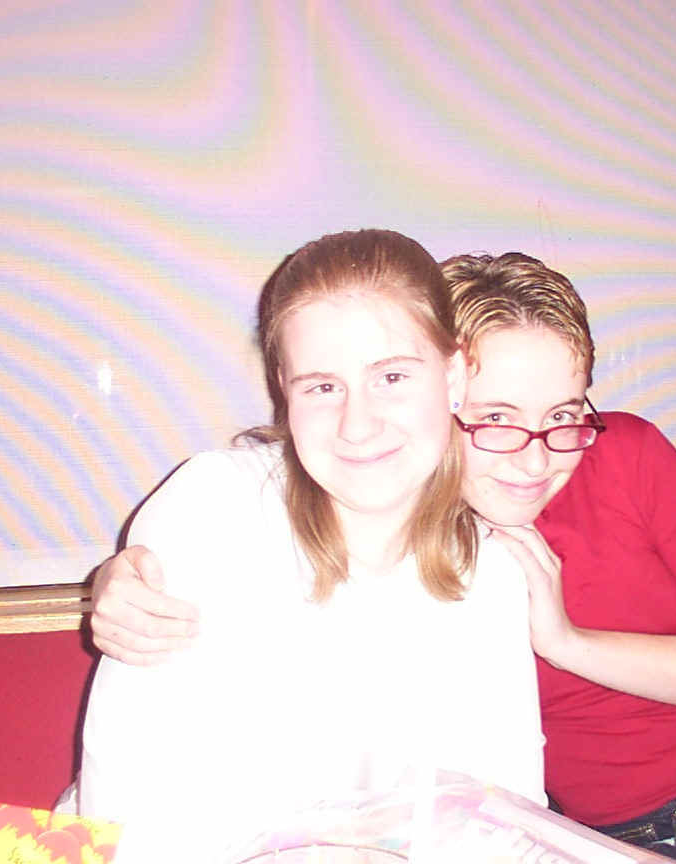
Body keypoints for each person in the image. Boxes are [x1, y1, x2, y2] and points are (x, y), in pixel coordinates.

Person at [90, 250, 676, 863]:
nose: (538, 456)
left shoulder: (611, 463)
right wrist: (120, 580)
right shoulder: (377, 539)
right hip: (660, 834)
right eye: (498, 417)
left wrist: (567, 640)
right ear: (449, 390)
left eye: (564, 414)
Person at [77, 231, 546, 862]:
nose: (358, 425)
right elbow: (125, 813)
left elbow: (506, 821)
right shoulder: (211, 509)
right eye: (323, 387)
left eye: (392, 376)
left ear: (455, 374)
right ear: (284, 389)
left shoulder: (491, 572)